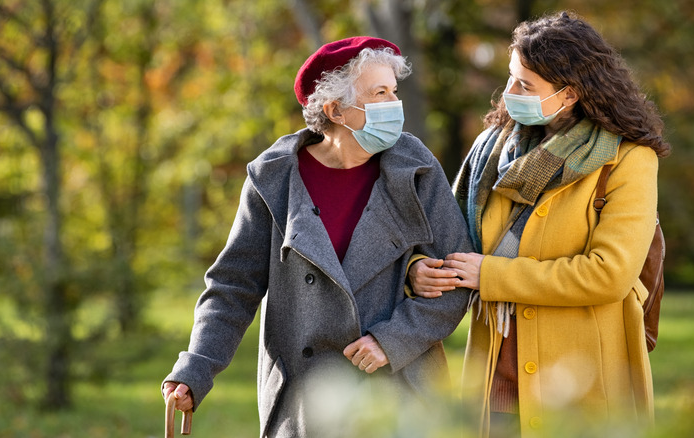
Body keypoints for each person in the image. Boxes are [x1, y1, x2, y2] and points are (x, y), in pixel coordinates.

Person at [162, 36, 474, 437]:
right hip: (305, 399)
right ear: (335, 110)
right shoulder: (273, 179)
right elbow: (233, 287)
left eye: (393, 92)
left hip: (402, 393)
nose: (393, 106)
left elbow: (458, 274)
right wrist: (196, 367)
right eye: (379, 94)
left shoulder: (415, 167)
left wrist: (392, 340)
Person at [408, 11, 671, 438]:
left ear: (569, 94)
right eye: (511, 77)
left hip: (581, 382)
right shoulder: (492, 151)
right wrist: (418, 270)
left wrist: (491, 275)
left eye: (524, 85)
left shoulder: (628, 160)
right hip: (494, 377)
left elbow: (609, 273)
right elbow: (445, 240)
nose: (509, 93)